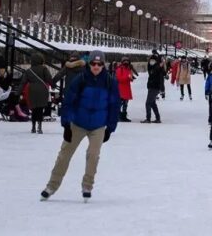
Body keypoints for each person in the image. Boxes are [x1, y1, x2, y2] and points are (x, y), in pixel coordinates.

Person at [40, 50, 120, 202]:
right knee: (64, 154)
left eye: (99, 64)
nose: (96, 66)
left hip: (98, 124)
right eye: (93, 63)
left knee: (93, 155)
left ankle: (87, 185)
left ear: (104, 65)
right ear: (89, 64)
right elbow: (69, 102)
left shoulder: (110, 82)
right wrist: (66, 125)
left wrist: (110, 127)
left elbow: (114, 105)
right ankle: (52, 185)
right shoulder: (80, 79)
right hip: (78, 123)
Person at [16, 53, 53, 134]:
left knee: (34, 109)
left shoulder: (29, 71)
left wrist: (18, 93)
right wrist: (54, 84)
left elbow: (23, 83)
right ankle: (39, 126)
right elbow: (49, 79)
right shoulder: (44, 69)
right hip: (42, 90)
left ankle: (33, 127)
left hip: (32, 90)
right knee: (40, 109)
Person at [141, 54, 164, 123]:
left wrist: (161, 89)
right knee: (153, 103)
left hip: (155, 87)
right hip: (151, 87)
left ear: (156, 61)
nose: (151, 61)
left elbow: (159, 75)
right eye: (151, 60)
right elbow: (150, 70)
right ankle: (158, 118)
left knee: (148, 103)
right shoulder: (152, 67)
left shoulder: (157, 67)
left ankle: (148, 118)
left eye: (153, 60)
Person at [115, 57, 135, 122]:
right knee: (119, 104)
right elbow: (119, 78)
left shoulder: (128, 69)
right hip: (121, 89)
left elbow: (129, 77)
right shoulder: (119, 69)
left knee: (125, 104)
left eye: (127, 61)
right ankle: (118, 116)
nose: (126, 62)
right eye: (125, 61)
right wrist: (128, 77)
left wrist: (131, 78)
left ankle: (123, 116)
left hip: (126, 88)